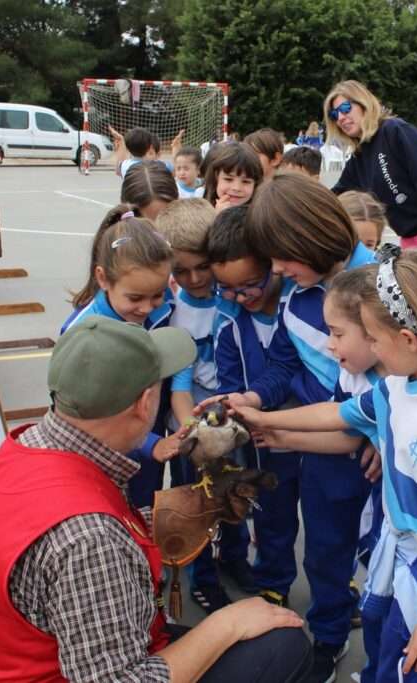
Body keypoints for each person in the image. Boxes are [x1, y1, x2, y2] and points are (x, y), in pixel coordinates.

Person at [0, 316, 313, 683]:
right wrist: (226, 624)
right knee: (283, 646)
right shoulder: (88, 540)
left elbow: (93, 534)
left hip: (25, 662)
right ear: (145, 403)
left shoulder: (31, 446)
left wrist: (201, 506)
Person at [235, 247, 417, 683]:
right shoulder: (399, 385)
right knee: (391, 650)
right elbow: (339, 414)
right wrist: (266, 421)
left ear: (406, 340)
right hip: (405, 553)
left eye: (372, 336)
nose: (368, 346)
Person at [201, 174, 376, 683]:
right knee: (321, 547)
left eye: (281, 257)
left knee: (357, 550)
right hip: (325, 447)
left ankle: (346, 630)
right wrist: (252, 398)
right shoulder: (300, 296)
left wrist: (388, 435)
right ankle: (328, 629)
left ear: (313, 240)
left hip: (365, 454)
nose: (275, 269)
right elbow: (284, 366)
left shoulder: (383, 289)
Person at [157, 199, 255, 612]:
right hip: (195, 431)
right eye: (181, 271)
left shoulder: (234, 297)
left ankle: (235, 559)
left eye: (202, 266)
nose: (195, 278)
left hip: (239, 423)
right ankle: (203, 573)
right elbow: (181, 388)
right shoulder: (176, 316)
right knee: (198, 504)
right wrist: (193, 435)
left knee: (237, 493)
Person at [207, 206, 302, 609]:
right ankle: (274, 581)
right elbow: (230, 382)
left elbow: (294, 370)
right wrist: (230, 412)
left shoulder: (300, 310)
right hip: (266, 444)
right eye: (225, 289)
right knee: (271, 516)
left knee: (331, 523)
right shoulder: (228, 325)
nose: (238, 298)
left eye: (248, 286)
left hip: (320, 435)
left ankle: (341, 583)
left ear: (274, 265)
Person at [326, 80, 417, 323]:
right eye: (335, 114)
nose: (341, 118)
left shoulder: (395, 131)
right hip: (411, 238)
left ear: (363, 104)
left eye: (346, 109)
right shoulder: (361, 155)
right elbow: (338, 192)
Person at [63, 207, 182, 505]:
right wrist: (150, 443)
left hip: (147, 434)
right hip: (103, 451)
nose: (147, 308)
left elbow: (180, 355)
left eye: (157, 295)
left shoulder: (165, 305)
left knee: (145, 505)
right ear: (103, 279)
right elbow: (82, 421)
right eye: (135, 298)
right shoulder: (83, 333)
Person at [203, 142, 264, 212]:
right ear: (216, 177)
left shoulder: (261, 215)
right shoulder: (200, 210)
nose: (236, 188)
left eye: (246, 181)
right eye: (228, 179)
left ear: (255, 184)